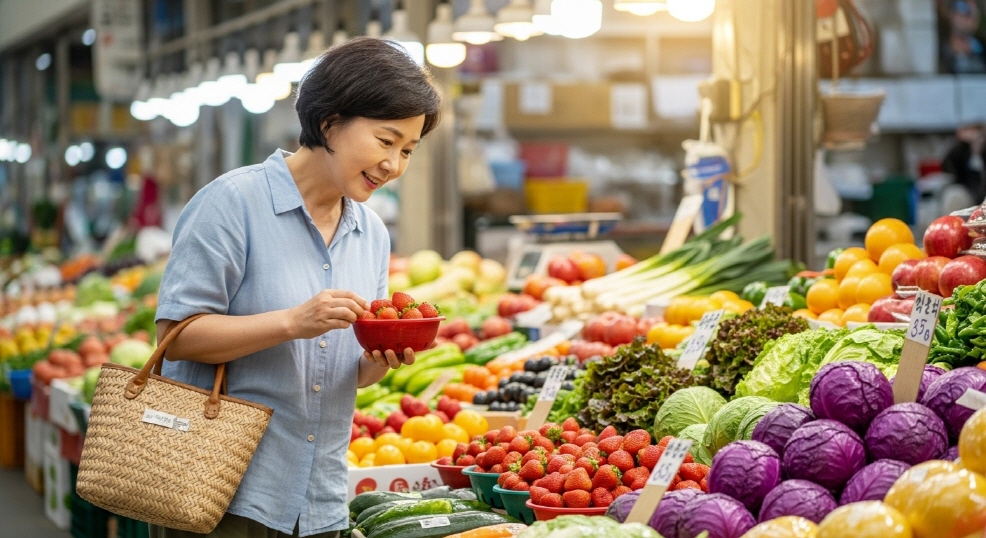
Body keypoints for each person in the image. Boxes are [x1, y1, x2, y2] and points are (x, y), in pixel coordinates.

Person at [150, 37, 441, 538]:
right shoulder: (232, 203)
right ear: (329, 123)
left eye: (409, 150)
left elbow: (347, 374)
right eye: (386, 141)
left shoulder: (369, 232)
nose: (394, 165)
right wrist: (291, 323)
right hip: (222, 492)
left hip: (320, 498)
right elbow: (175, 336)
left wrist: (380, 357)